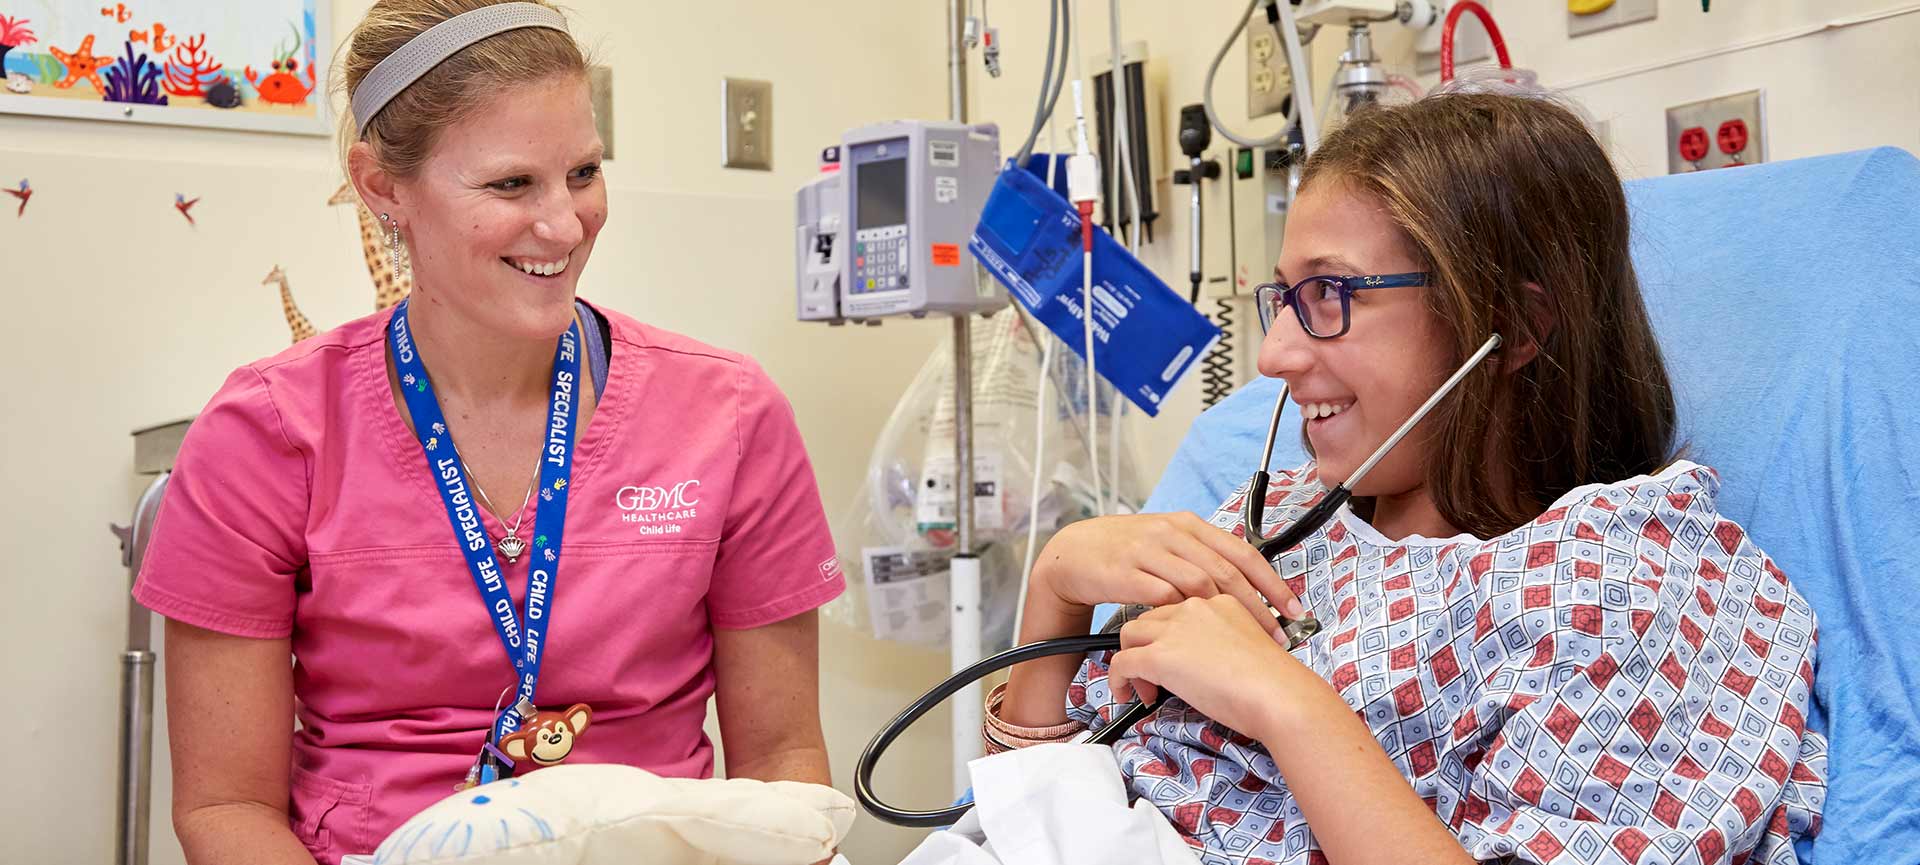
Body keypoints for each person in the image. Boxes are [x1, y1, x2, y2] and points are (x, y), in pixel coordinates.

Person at [992, 90, 1828, 864]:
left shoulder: (1636, 586)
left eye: (1328, 294)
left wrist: (1283, 702)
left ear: (1514, 323)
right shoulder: (1276, 521)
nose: (1274, 355)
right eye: (1283, 298)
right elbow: (1030, 811)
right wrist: (1056, 593)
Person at [133, 3, 843, 862]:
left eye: (583, 172)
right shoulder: (267, 435)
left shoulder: (726, 416)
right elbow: (226, 806)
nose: (565, 224)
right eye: (512, 185)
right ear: (381, 187)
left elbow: (780, 766)